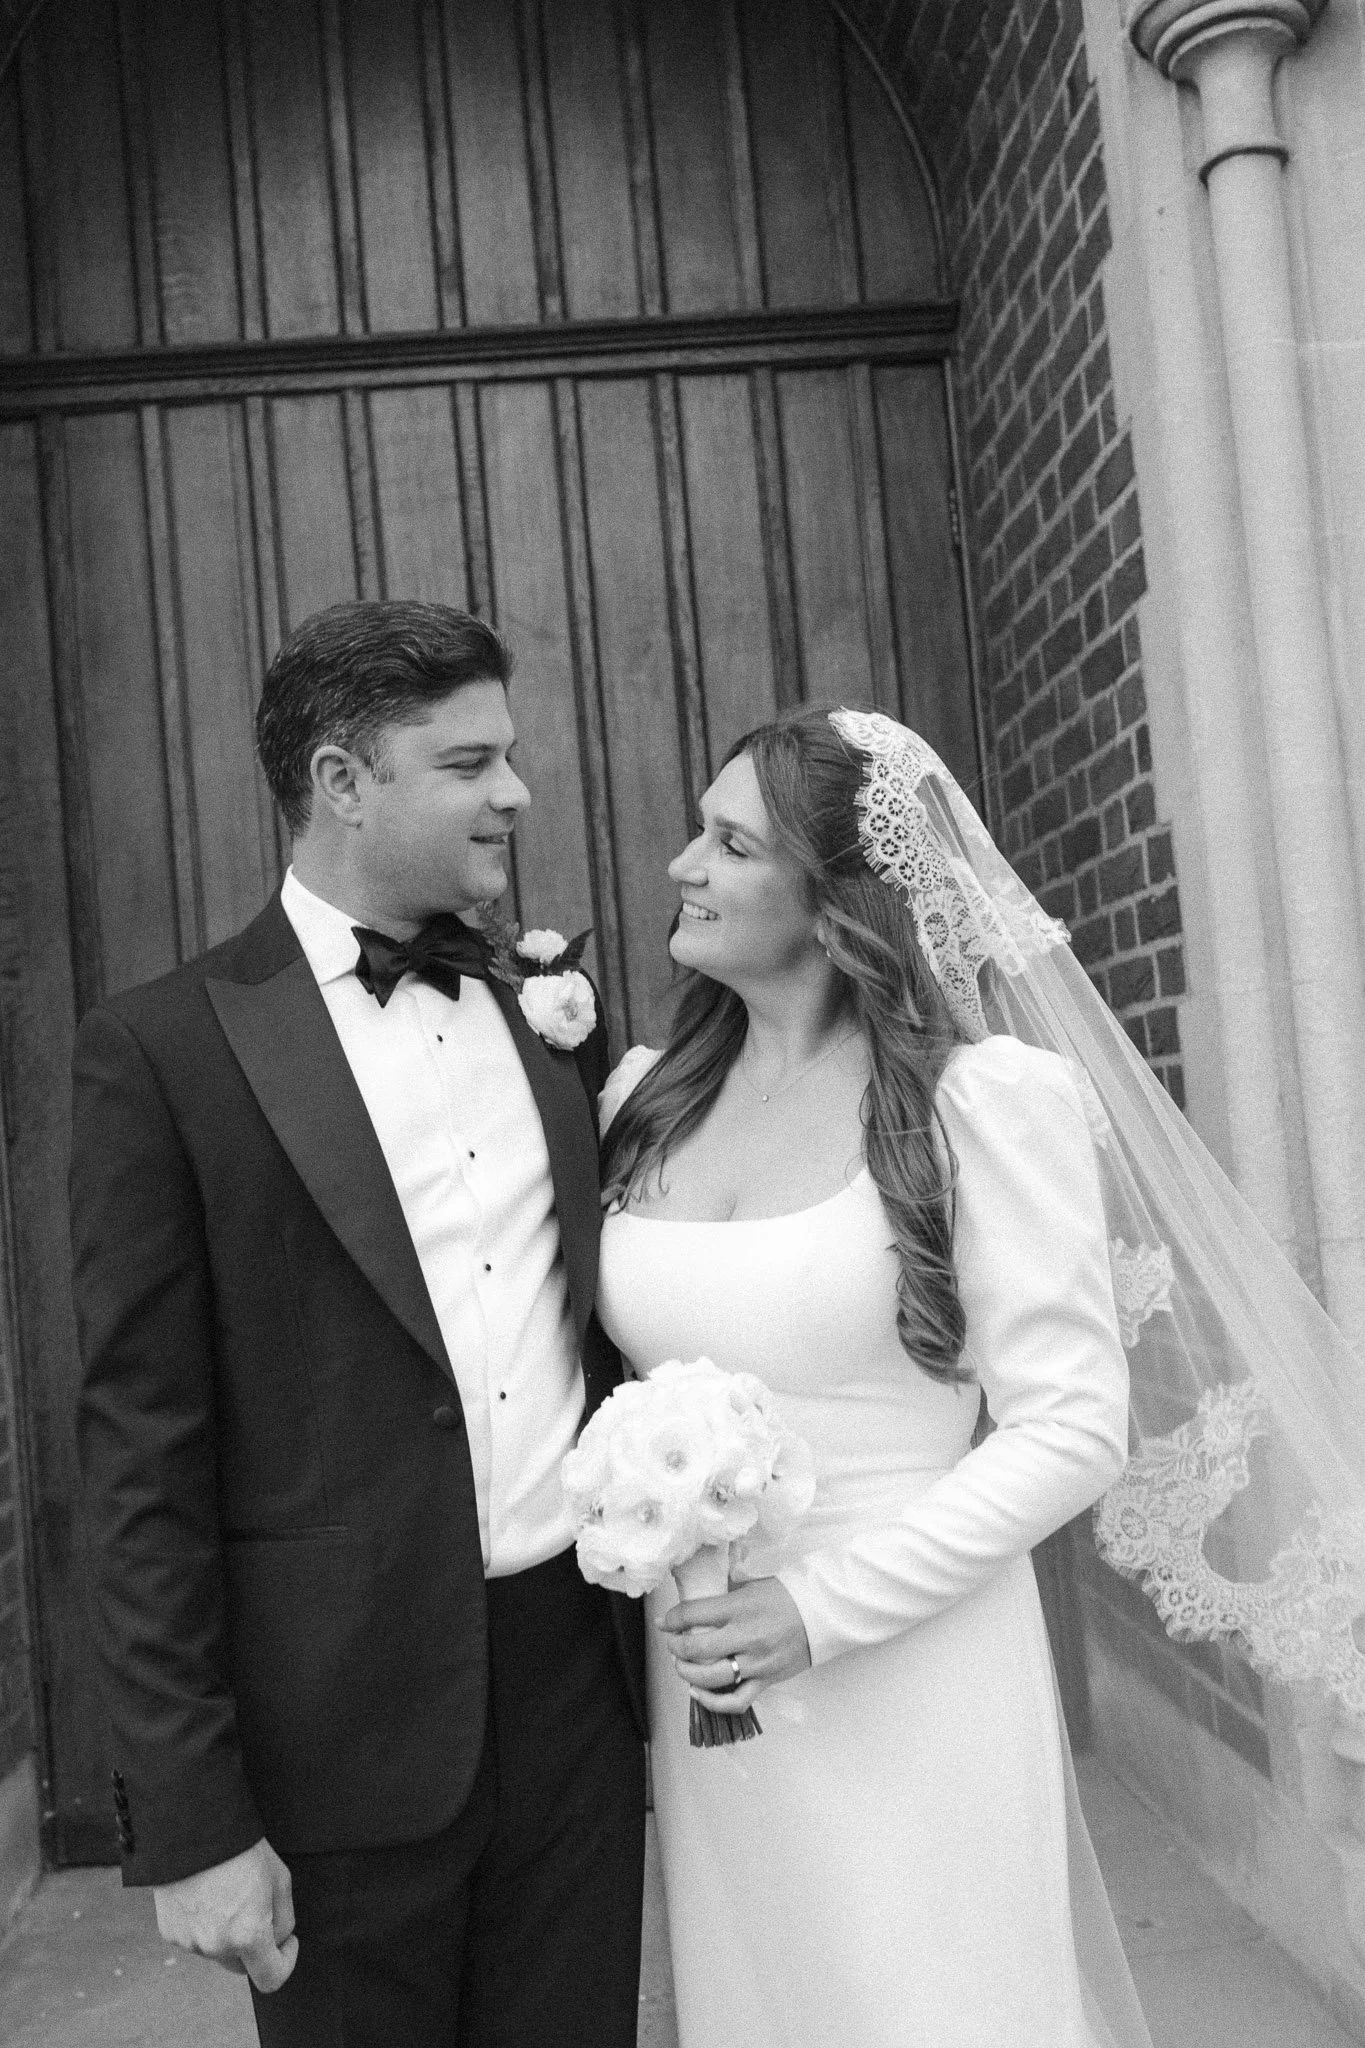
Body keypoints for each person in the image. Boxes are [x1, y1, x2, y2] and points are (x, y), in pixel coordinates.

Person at [70, 600, 646, 2048]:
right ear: (341, 783)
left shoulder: (547, 1003)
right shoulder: (163, 1050)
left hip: (577, 1697)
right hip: (331, 1738)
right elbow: (139, 1465)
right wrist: (191, 1821)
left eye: (508, 757)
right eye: (468, 764)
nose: (514, 792)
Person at [596, 706, 1153, 2047]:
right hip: (717, 1682)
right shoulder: (639, 1100)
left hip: (913, 1660)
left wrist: (826, 1605)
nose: (682, 864)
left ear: (837, 895)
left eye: (730, 844)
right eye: (698, 830)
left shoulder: (978, 1105)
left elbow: (1073, 1428)